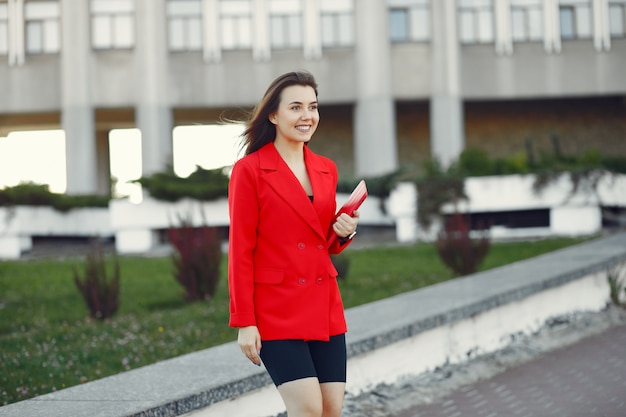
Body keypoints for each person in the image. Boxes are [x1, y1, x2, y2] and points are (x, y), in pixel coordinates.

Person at [227, 70, 360, 417]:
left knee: (330, 410)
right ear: (273, 114)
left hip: (324, 303)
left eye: (313, 107)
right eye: (296, 107)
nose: (307, 116)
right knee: (308, 411)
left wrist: (343, 231)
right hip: (275, 310)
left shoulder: (326, 168)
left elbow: (321, 241)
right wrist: (245, 321)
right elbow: (240, 249)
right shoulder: (250, 170)